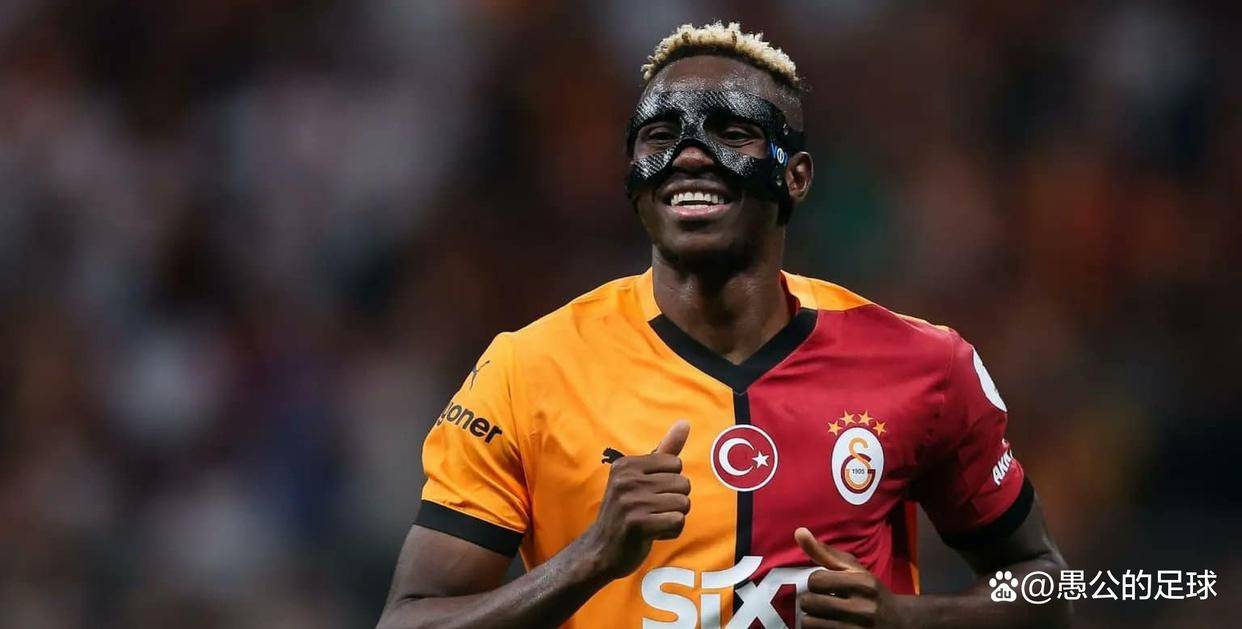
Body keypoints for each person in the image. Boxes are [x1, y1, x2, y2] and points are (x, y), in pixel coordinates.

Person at [377, 22, 1070, 629]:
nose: (689, 154)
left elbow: (1052, 587)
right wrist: (590, 557)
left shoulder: (924, 365)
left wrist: (907, 619)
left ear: (796, 177)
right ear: (635, 176)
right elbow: (408, 619)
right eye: (660, 135)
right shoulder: (528, 371)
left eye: (732, 132)